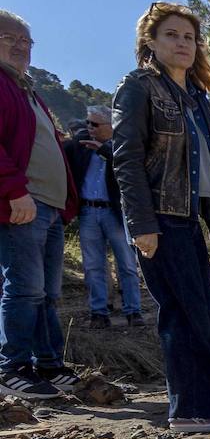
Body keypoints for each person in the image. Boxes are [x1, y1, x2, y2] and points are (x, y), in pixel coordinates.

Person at [112, 1, 210, 432]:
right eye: (171, 34)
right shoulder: (138, 87)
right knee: (181, 313)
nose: (182, 43)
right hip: (160, 220)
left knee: (203, 310)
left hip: (188, 218)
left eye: (188, 36)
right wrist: (142, 225)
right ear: (150, 41)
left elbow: (208, 170)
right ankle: (191, 409)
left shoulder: (197, 98)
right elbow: (126, 160)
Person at [0, 9, 80, 399]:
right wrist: (15, 190)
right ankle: (11, 366)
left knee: (46, 292)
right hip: (20, 204)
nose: (19, 46)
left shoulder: (27, 89)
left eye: (25, 41)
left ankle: (47, 364)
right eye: (9, 38)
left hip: (47, 206)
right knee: (24, 288)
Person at [66, 105, 144, 330]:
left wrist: (104, 150)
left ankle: (133, 311)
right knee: (93, 266)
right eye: (88, 123)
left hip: (115, 212)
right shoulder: (81, 148)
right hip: (88, 212)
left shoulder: (121, 147)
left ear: (111, 127)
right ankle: (98, 312)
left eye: (95, 124)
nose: (89, 128)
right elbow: (69, 144)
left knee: (127, 264)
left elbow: (131, 169)